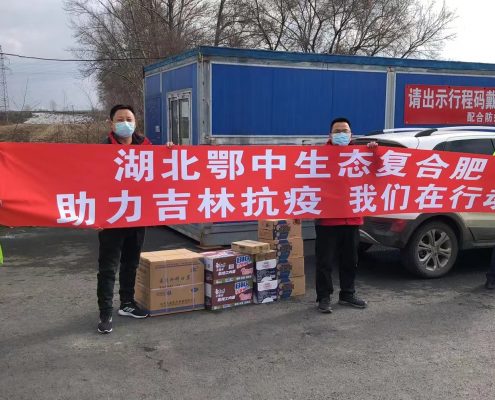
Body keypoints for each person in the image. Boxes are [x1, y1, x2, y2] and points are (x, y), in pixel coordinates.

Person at [97, 104, 150, 334]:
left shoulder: (146, 147)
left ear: (135, 122)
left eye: (129, 118)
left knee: (131, 263)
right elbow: (91, 184)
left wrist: (169, 151)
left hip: (137, 214)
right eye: (120, 119)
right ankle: (105, 312)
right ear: (111, 123)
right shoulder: (102, 150)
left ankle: (127, 303)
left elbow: (163, 172)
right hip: (112, 217)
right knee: (108, 267)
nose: (125, 123)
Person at [315, 117, 377, 313]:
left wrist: (374, 153)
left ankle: (347, 294)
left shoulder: (361, 155)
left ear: (351, 134)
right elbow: (304, 182)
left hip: (352, 218)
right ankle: (324, 297)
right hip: (327, 219)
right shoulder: (319, 156)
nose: (341, 134)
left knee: (350, 259)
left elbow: (379, 171)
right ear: (330, 135)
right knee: (324, 261)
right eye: (337, 131)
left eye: (345, 131)